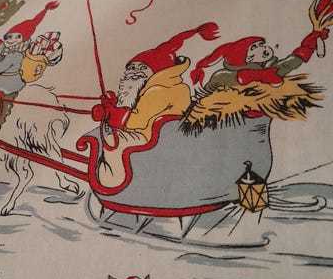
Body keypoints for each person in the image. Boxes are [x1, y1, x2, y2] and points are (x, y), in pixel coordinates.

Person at [91, 22, 219, 188]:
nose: (134, 72)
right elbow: (138, 109)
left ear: (157, 70)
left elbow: (133, 122)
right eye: (131, 68)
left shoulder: (159, 90)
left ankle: (112, 182)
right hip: (162, 138)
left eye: (142, 68)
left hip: (152, 140)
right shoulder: (170, 86)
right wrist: (113, 103)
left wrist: (109, 112)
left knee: (111, 139)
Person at [0, 1, 58, 128]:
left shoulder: (15, 54)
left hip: (9, 83)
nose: (12, 40)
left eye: (17, 37)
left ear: (23, 38)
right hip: (8, 80)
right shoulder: (9, 50)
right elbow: (0, 49)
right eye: (9, 37)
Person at [190, 30, 329, 93]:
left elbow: (287, 64)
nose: (262, 48)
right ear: (246, 58)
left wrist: (307, 47)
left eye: (261, 44)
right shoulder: (223, 75)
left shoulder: (268, 68)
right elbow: (211, 89)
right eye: (254, 48)